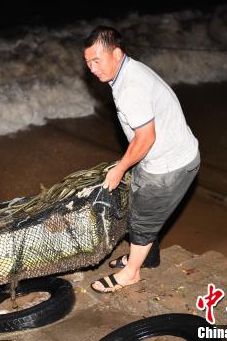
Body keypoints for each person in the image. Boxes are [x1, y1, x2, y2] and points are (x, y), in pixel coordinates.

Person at [83, 26, 200, 293]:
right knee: (137, 203)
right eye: (88, 62)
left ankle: (131, 273)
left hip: (170, 165)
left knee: (143, 219)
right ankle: (148, 257)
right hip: (166, 154)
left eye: (97, 60)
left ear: (117, 53)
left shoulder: (129, 88)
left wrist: (120, 167)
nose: (92, 68)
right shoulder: (128, 70)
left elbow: (145, 139)